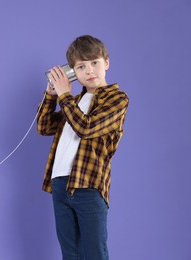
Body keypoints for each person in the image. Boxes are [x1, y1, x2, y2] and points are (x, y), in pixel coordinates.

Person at [37, 35, 129, 260]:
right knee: (70, 254)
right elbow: (44, 126)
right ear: (74, 73)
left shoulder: (116, 99)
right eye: (81, 67)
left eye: (95, 63)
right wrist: (51, 95)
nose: (90, 71)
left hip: (88, 185)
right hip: (60, 182)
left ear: (106, 62)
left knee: (94, 253)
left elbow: (86, 128)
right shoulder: (74, 102)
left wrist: (64, 95)